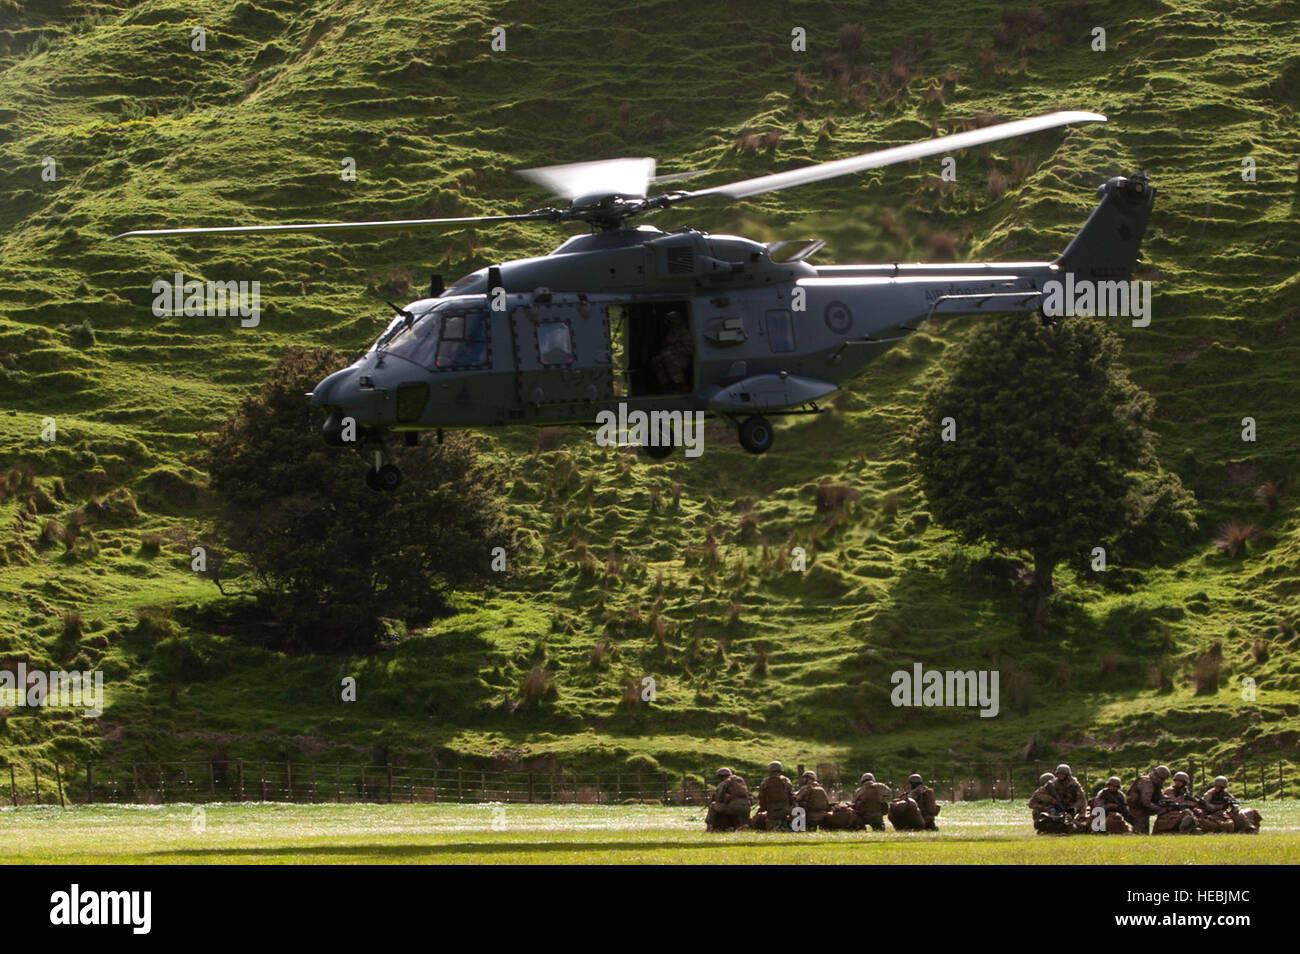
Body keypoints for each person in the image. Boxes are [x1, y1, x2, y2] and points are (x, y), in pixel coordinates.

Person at [651, 310, 692, 393]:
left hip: (682, 358)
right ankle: (666, 385)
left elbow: (689, 349)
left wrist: (673, 352)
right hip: (669, 356)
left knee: (670, 359)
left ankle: (681, 385)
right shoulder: (671, 332)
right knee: (656, 360)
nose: (672, 323)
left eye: (673, 320)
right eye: (670, 321)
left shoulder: (685, 332)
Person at [1126, 765, 1171, 835]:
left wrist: (1171, 800)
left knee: (1143, 832)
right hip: (1138, 810)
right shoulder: (1147, 782)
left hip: (1143, 809)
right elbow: (1146, 802)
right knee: (1140, 833)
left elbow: (1160, 796)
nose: (1162, 781)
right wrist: (1160, 809)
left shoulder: (1154, 782)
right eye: (1162, 779)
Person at [705, 767, 751, 832]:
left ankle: (709, 827)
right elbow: (749, 796)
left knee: (713, 805)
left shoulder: (724, 783)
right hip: (746, 807)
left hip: (733, 807)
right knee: (728, 808)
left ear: (721, 776)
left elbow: (718, 798)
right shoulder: (740, 782)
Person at [755, 760, 795, 831]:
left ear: (769, 770)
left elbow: (761, 798)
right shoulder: (786, 781)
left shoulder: (765, 782)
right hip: (785, 810)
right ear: (780, 770)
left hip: (772, 812)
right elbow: (792, 796)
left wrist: (762, 809)